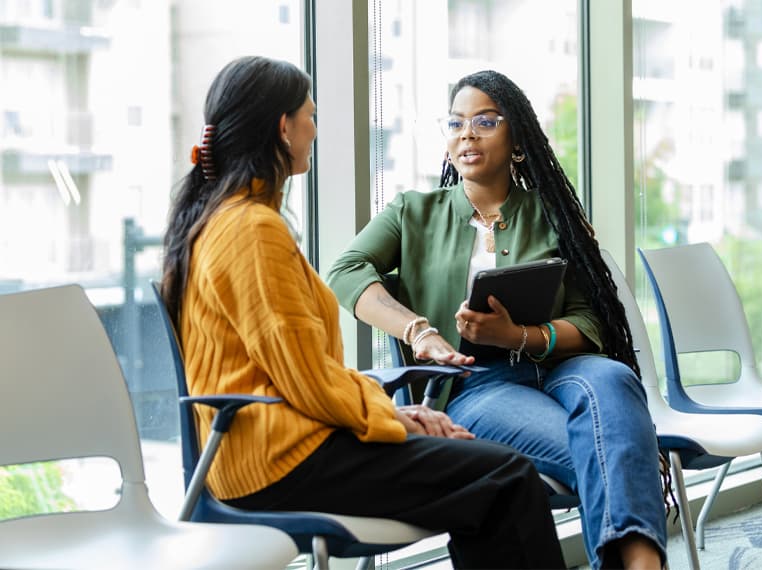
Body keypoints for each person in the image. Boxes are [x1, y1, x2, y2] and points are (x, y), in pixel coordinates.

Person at [160, 56, 566, 570]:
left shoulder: (230, 219)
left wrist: (395, 412)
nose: (314, 129)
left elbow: (303, 374)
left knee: (490, 478)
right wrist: (398, 420)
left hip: (275, 449)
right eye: (311, 116)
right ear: (284, 129)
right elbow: (306, 379)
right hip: (279, 462)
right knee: (504, 476)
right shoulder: (251, 231)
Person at [327, 69, 668, 569]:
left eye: (485, 121)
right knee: (614, 452)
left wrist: (519, 335)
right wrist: (418, 330)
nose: (467, 134)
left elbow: (590, 324)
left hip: (562, 368)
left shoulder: (553, 217)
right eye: (456, 123)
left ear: (517, 140)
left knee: (614, 378)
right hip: (477, 385)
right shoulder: (412, 212)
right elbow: (345, 271)